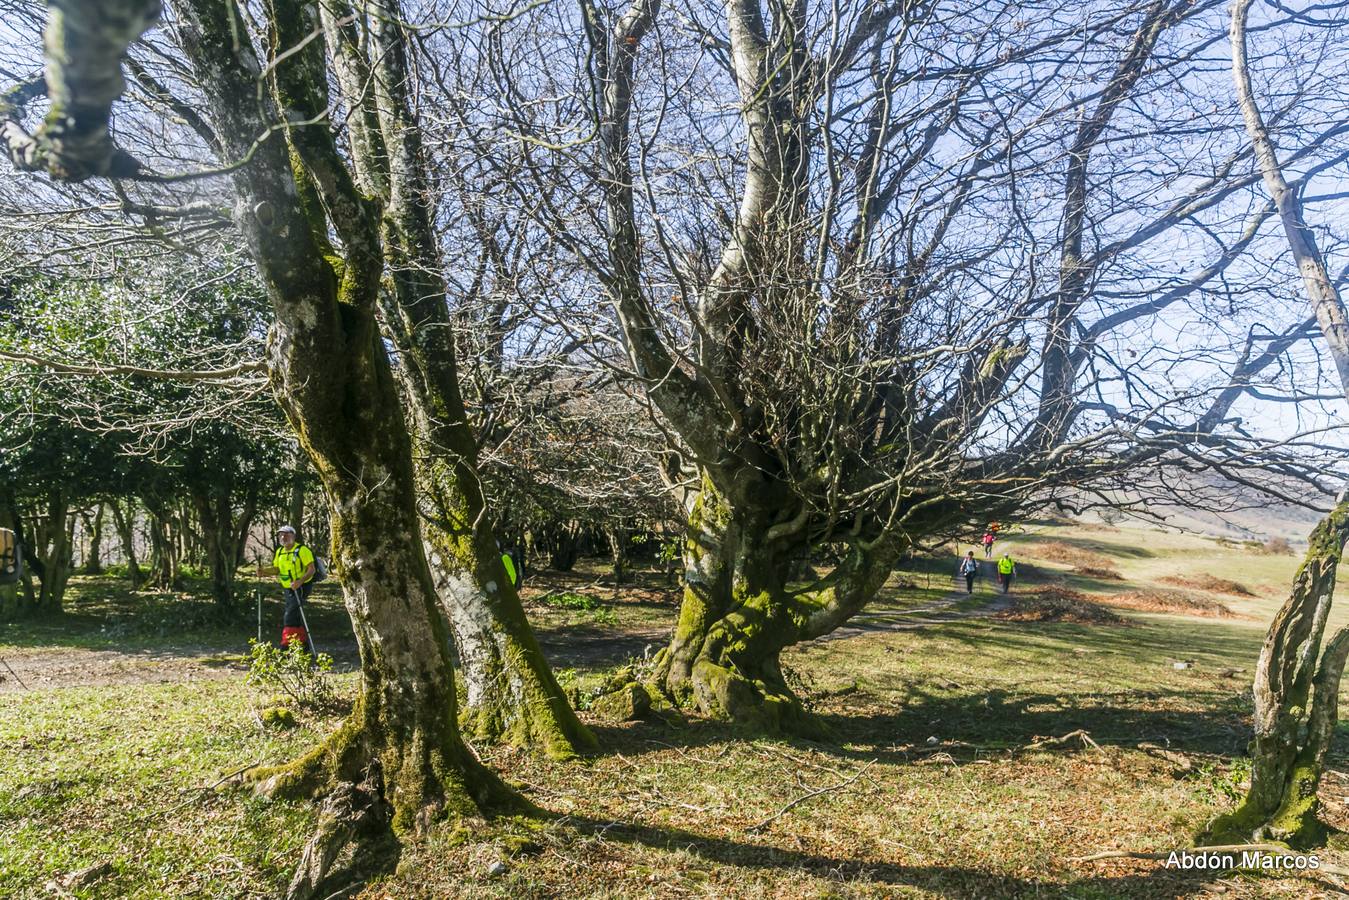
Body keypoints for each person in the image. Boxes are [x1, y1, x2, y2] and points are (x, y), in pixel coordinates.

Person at [255, 525, 316, 654]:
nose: (283, 537)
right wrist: (264, 572)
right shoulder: (280, 552)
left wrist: (300, 581)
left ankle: (286, 646)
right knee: (296, 616)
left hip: (301, 586)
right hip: (288, 588)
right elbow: (277, 569)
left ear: (293, 536)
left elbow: (311, 569)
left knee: (289, 616)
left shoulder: (302, 550)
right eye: (281, 535)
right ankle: (302, 646)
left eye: (287, 534)